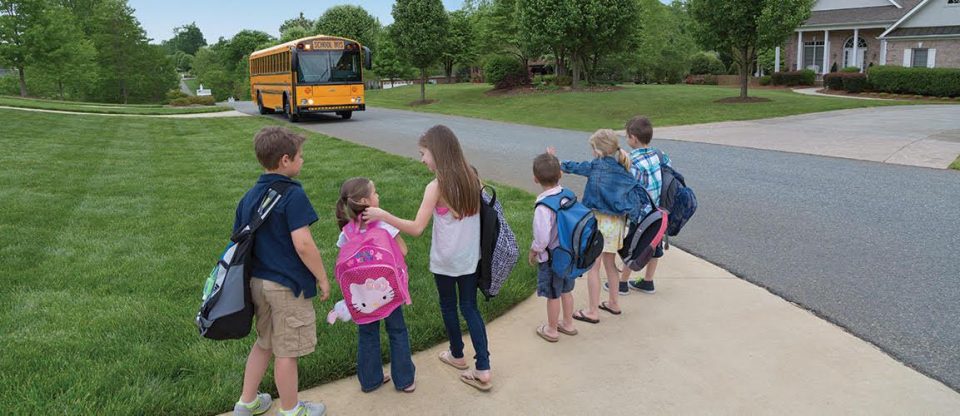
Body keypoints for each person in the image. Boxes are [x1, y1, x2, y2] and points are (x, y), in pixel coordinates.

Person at [363, 124, 493, 391]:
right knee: (469, 308)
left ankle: (457, 355)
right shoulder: (473, 177)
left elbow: (417, 228)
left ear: (438, 152)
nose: (422, 159)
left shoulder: (436, 186)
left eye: (424, 153)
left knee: (448, 306)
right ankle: (483, 367)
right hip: (470, 258)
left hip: (446, 260)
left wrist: (383, 215)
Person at [234, 126, 330, 416]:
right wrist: (322, 277)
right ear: (285, 160)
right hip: (287, 286)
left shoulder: (249, 197)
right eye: (300, 156)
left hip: (257, 284)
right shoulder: (292, 195)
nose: (303, 161)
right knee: (287, 352)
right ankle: (291, 410)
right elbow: (303, 244)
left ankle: (246, 402)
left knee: (264, 343)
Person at [549, 129, 646, 324]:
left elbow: (576, 167)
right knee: (610, 265)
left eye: (593, 148)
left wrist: (555, 161)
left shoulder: (597, 166)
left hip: (599, 224)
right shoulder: (624, 167)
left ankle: (593, 311)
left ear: (599, 151)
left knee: (593, 267)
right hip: (617, 224)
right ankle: (613, 303)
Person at [334, 177, 416, 393]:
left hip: (362, 296)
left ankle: (370, 380)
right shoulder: (384, 225)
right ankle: (405, 380)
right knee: (397, 331)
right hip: (388, 291)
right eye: (375, 192)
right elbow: (404, 251)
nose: (378, 195)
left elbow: (344, 254)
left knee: (367, 334)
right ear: (365, 200)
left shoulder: (347, 231)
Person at [616, 116, 670, 295]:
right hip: (660, 212)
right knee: (654, 244)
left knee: (634, 246)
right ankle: (648, 281)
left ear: (633, 137)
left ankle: (622, 283)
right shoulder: (660, 154)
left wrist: (623, 161)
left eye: (627, 136)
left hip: (641, 214)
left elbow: (627, 186)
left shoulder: (633, 162)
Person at [528, 153, 578, 342]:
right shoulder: (568, 195)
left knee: (553, 294)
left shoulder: (543, 207)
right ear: (560, 174)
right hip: (568, 255)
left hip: (551, 259)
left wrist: (534, 251)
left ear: (535, 179)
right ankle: (568, 323)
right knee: (566, 290)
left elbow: (541, 239)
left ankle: (551, 329)